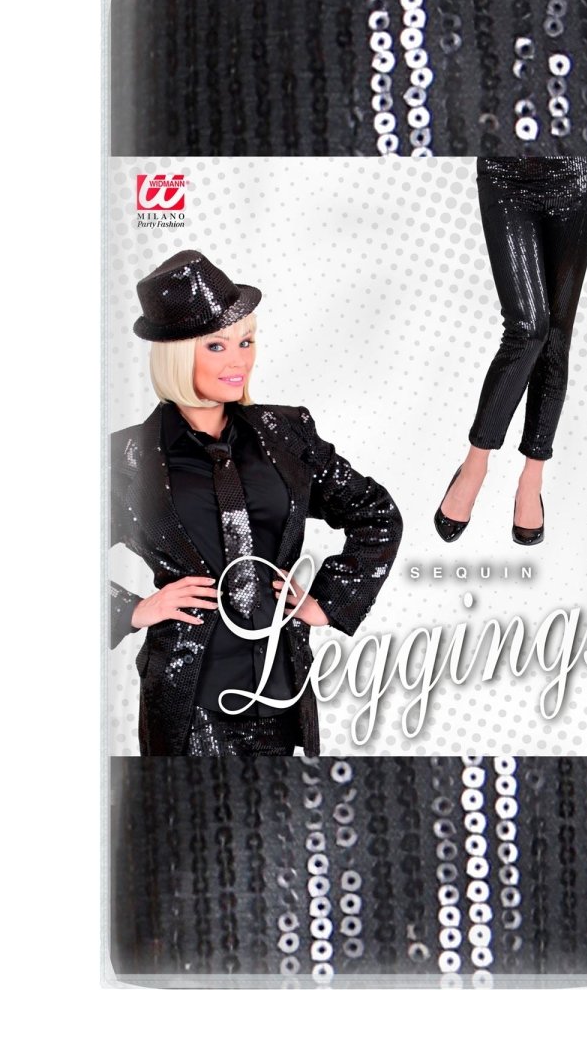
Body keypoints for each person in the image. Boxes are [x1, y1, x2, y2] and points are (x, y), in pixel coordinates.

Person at [110, 249, 403, 756]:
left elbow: (375, 514)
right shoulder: (126, 458)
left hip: (282, 694)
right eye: (217, 346)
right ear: (176, 355)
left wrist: (328, 602)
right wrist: (133, 610)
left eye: (246, 342)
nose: (239, 361)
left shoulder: (286, 433)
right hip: (189, 704)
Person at [435, 156, 587, 546]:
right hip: (505, 174)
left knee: (556, 336)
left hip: (574, 172)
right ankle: (475, 465)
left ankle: (532, 479)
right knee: (528, 328)